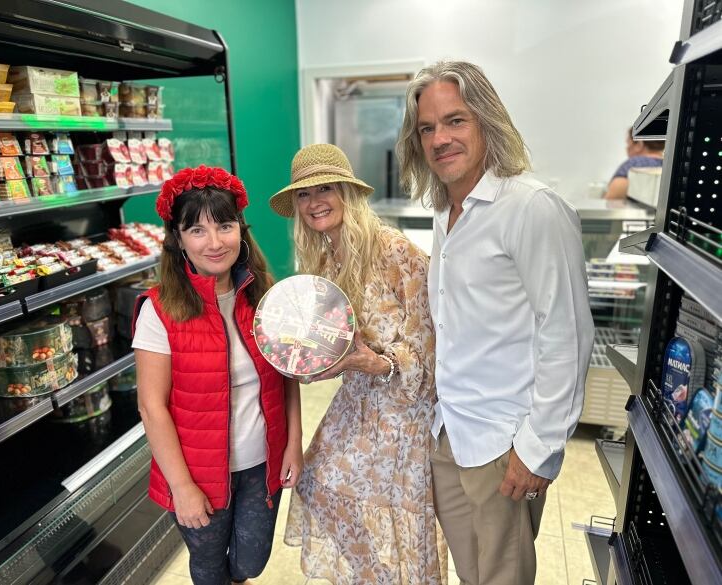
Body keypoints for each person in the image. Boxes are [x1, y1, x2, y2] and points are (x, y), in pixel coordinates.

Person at [396, 61, 594, 585]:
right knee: (471, 575)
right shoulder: (448, 212)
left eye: (455, 121)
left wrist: (538, 449)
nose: (441, 138)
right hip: (451, 434)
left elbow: (567, 337)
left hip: (504, 446)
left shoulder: (531, 208)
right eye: (427, 128)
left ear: (486, 120)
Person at [270, 143, 447, 584]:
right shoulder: (326, 259)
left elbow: (432, 347)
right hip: (359, 399)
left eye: (325, 188)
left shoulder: (394, 250)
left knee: (400, 513)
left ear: (347, 192)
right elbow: (333, 341)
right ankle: (376, 577)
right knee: (317, 483)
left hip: (404, 408)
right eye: (304, 195)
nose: (314, 203)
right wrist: (306, 360)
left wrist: (377, 363)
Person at [133, 164, 303, 585]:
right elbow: (152, 407)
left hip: (262, 463)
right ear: (177, 239)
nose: (215, 242)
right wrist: (182, 487)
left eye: (224, 226)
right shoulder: (159, 310)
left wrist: (294, 444)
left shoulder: (264, 294)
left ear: (241, 230)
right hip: (197, 473)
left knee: (250, 563)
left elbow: (288, 377)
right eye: (197, 231)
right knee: (209, 569)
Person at [603, 128, 664, 199]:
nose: (626, 149)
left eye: (628, 144)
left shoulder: (632, 164)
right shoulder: (670, 167)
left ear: (639, 144)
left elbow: (610, 200)